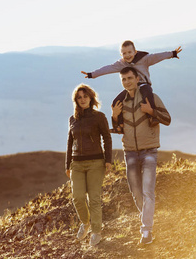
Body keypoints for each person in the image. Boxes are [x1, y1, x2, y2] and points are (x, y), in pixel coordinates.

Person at [111, 67, 171, 245]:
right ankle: (147, 217)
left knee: (147, 191)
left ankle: (146, 232)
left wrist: (151, 111)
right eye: (123, 79)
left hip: (149, 150)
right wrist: (114, 117)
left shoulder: (150, 98)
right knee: (136, 192)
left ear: (137, 79)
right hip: (129, 152)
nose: (127, 82)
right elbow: (118, 128)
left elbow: (167, 119)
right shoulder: (120, 102)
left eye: (130, 78)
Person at [81, 40, 181, 133]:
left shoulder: (144, 59)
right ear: (121, 55)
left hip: (143, 84)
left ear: (135, 51)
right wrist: (92, 74)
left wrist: (172, 54)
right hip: (130, 88)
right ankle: (120, 126)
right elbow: (108, 68)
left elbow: (157, 56)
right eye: (124, 53)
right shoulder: (121, 64)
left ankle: (152, 118)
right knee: (116, 101)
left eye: (129, 52)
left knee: (147, 93)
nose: (127, 55)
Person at [65, 83, 112, 246]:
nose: (82, 99)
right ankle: (85, 223)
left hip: (96, 163)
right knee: (77, 197)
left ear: (91, 98)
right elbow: (70, 142)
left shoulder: (99, 117)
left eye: (85, 96)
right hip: (76, 164)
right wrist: (67, 165)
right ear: (75, 100)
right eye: (79, 97)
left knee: (94, 199)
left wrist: (108, 160)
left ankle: (96, 231)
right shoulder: (73, 119)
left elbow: (107, 137)